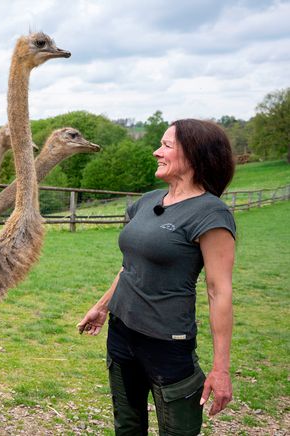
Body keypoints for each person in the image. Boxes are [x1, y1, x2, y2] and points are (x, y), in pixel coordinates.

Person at [77, 119, 236, 435]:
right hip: (122, 334)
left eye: (166, 146)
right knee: (127, 426)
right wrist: (102, 306)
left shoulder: (211, 213)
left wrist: (221, 369)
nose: (156, 152)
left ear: (193, 155)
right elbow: (130, 266)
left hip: (167, 344)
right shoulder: (148, 201)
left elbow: (219, 291)